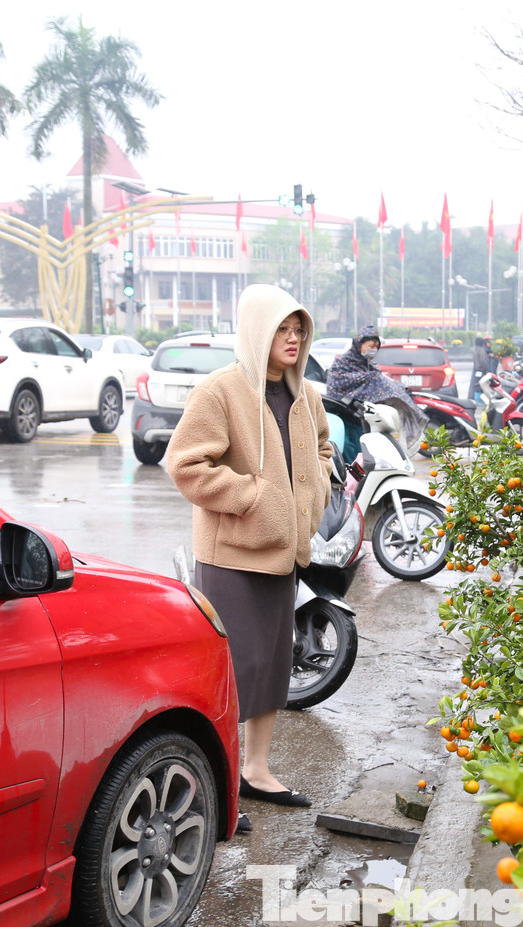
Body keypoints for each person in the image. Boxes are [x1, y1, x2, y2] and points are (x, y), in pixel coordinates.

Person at [167, 284, 333, 834]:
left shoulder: (307, 394)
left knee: (271, 666)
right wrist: (255, 498)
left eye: (299, 330)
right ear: (259, 331)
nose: (293, 339)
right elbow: (186, 465)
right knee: (228, 674)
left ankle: (258, 770)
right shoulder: (220, 391)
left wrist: (314, 496)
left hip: (285, 556)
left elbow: (325, 451)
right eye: (283, 329)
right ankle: (215, 786)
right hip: (232, 556)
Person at [326, 325, 429, 440]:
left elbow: (381, 381)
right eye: (371, 346)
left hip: (366, 417)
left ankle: (416, 416)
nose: (373, 349)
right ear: (359, 344)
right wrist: (369, 378)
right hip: (345, 414)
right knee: (352, 445)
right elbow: (337, 382)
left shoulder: (369, 364)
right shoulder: (343, 363)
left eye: (376, 346)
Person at [469, 335, 493, 400]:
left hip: (476, 370)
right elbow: (483, 361)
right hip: (482, 371)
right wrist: (486, 370)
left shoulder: (475, 350)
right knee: (481, 387)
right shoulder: (482, 350)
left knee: (475, 385)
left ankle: (473, 397)